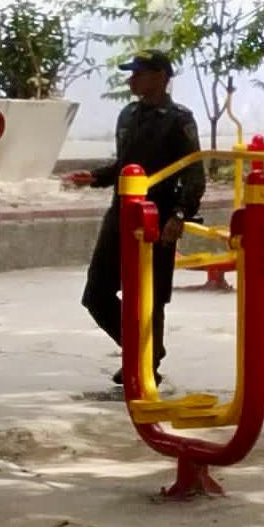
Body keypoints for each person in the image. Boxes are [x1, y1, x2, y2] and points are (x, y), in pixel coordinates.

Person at [77, 51, 205, 393]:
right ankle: (141, 350)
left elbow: (194, 173)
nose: (131, 81)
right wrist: (95, 177)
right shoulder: (129, 114)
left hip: (157, 214)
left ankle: (146, 364)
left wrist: (179, 213)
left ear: (161, 76)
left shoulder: (178, 120)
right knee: (97, 293)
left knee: (151, 295)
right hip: (121, 212)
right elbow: (125, 163)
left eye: (138, 74)